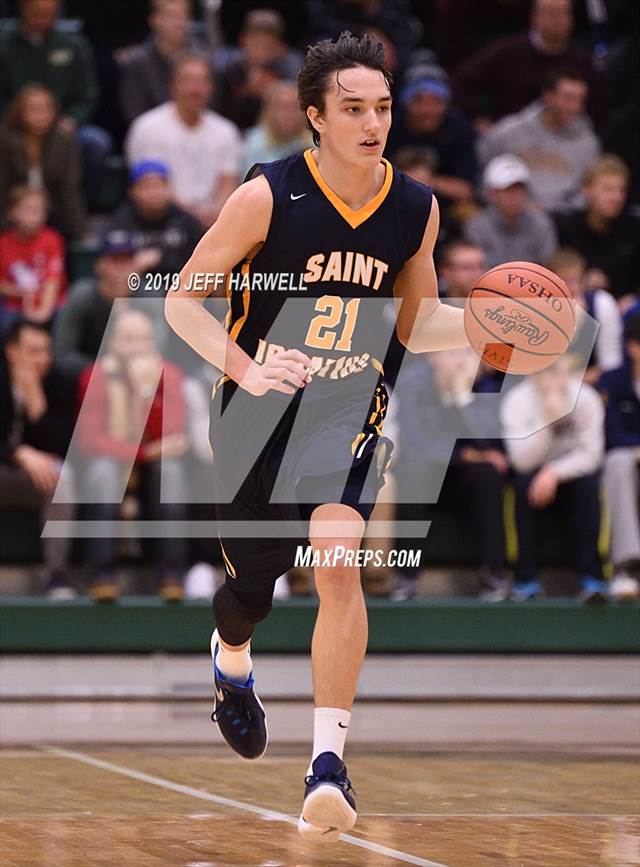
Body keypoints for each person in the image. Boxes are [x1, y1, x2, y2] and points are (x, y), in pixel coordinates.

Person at [165, 32, 469, 840]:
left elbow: (419, 320)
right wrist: (248, 365)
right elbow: (181, 302)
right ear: (314, 117)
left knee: (339, 566)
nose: (373, 123)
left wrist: (495, 325)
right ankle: (230, 662)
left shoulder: (415, 206)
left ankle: (327, 764)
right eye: (353, 109)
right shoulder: (265, 197)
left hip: (346, 419)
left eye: (383, 107)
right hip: (255, 419)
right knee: (249, 596)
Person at [77, 309, 189, 602]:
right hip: (113, 461)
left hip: (153, 465)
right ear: (113, 342)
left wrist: (144, 392)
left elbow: (174, 434)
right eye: (128, 339)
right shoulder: (97, 375)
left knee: (172, 473)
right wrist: (144, 452)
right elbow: (90, 440)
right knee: (102, 471)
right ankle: (101, 575)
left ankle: (171, 574)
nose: (137, 347)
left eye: (143, 339)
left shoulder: (170, 375)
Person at [391, 347, 508, 601]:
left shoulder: (484, 386)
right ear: (432, 356)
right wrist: (462, 454)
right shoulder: (412, 382)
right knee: (414, 471)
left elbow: (490, 446)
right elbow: (415, 443)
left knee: (487, 474)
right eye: (452, 353)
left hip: (460, 479)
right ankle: (407, 577)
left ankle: (493, 574)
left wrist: (461, 398)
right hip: (425, 472)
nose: (461, 361)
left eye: (468, 354)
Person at [500, 355, 608, 602]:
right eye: (544, 371)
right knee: (522, 484)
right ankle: (525, 579)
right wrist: (548, 423)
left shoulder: (586, 399)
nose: (552, 379)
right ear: (532, 373)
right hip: (532, 477)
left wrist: (554, 472)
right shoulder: (517, 401)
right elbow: (520, 461)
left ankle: (592, 578)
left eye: (557, 370)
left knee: (589, 486)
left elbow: (592, 456)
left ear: (569, 369)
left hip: (570, 476)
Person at [0, 0, 111, 198]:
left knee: (95, 143)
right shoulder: (4, 45)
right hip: (14, 126)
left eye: (50, 12)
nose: (44, 18)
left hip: (61, 125)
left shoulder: (73, 44)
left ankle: (85, 208)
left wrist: (72, 119)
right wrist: (15, 121)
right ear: (24, 8)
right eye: (38, 12)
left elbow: (87, 95)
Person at [0, 319, 76, 599]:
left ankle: (56, 575)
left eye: (45, 351)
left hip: (28, 479)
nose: (41, 359)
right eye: (32, 351)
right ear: (11, 351)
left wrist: (36, 403)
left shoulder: (59, 383)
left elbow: (64, 447)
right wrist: (18, 453)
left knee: (63, 476)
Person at [125, 53, 241, 229]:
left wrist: (216, 212)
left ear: (211, 88)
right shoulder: (147, 128)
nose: (196, 89)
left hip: (215, 223)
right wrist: (191, 217)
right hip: (164, 224)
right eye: (189, 80)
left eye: (203, 82)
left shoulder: (226, 131)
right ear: (173, 85)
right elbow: (150, 185)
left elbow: (229, 180)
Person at [453, 0, 599, 129]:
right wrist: (476, 120)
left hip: (564, 141)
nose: (559, 21)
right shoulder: (508, 52)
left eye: (564, 14)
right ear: (535, 18)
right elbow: (461, 81)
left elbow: (595, 107)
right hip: (509, 139)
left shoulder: (581, 62)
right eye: (552, 14)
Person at [478, 68, 600, 215]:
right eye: (568, 98)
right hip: (510, 217)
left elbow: (588, 191)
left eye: (580, 100)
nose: (575, 107)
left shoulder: (588, 143)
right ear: (548, 96)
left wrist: (557, 211)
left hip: (564, 220)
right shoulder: (508, 132)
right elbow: (480, 173)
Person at [0, 84, 87, 240]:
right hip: (12, 214)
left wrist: (81, 231)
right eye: (33, 110)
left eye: (46, 109)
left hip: (52, 213)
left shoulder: (63, 143)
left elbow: (69, 190)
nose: (40, 116)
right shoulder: (4, 142)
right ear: (20, 112)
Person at [52, 231, 142, 380]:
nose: (122, 269)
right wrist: (103, 369)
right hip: (90, 376)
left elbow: (159, 352)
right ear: (99, 265)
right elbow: (62, 354)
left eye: (127, 260)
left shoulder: (150, 297)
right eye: (115, 260)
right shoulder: (82, 296)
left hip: (141, 377)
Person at [387, 61, 477, 206]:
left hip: (443, 209)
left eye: (436, 101)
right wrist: (405, 180)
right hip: (390, 203)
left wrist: (428, 181)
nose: (427, 109)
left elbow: (466, 189)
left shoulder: (457, 128)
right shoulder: (387, 125)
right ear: (405, 102)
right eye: (419, 101)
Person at [555, 155, 640, 306]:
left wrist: (634, 296)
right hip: (581, 302)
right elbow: (558, 274)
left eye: (621, 190)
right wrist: (583, 280)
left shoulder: (634, 227)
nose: (616, 197)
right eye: (607, 189)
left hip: (627, 309)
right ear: (586, 190)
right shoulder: (568, 228)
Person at [598, 314, 640, 601]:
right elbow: (611, 435)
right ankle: (626, 566)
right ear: (633, 347)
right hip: (627, 457)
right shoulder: (612, 382)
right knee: (618, 462)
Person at [107, 160, 203, 282]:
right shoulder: (121, 221)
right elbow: (113, 262)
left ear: (169, 188)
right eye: (147, 187)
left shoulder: (186, 222)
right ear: (132, 192)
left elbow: (199, 264)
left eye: (159, 185)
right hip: (135, 285)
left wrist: (161, 258)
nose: (154, 192)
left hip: (179, 285)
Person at [214, 8, 303, 131]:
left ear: (278, 47)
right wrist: (246, 93)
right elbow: (220, 115)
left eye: (267, 44)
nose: (260, 49)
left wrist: (272, 94)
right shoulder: (230, 73)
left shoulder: (285, 74)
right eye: (256, 42)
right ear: (243, 40)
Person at [464, 154, 558, 268]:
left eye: (520, 190)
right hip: (489, 284)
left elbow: (549, 266)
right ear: (491, 193)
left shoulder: (541, 223)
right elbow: (477, 270)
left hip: (532, 284)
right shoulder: (477, 227)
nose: (515, 196)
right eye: (508, 190)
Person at [119, 0, 202, 125]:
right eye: (171, 16)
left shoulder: (202, 60)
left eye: (183, 16)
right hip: (153, 134)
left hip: (196, 130)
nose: (178, 23)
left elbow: (211, 105)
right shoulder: (138, 63)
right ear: (154, 20)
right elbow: (134, 112)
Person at [548, 248, 623, 385]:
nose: (573, 288)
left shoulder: (602, 303)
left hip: (591, 388)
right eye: (565, 283)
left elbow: (610, 364)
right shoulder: (538, 311)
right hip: (547, 389)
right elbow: (539, 372)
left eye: (577, 281)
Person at [0, 186, 66, 324]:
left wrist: (42, 313)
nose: (36, 215)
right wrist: (21, 293)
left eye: (40, 210)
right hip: (14, 306)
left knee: (64, 316)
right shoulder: (3, 243)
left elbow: (53, 280)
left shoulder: (52, 239)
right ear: (12, 212)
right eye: (29, 209)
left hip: (51, 303)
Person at [241, 81, 312, 177]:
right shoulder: (253, 143)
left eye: (295, 107)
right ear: (269, 110)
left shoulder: (313, 144)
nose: (289, 114)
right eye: (284, 107)